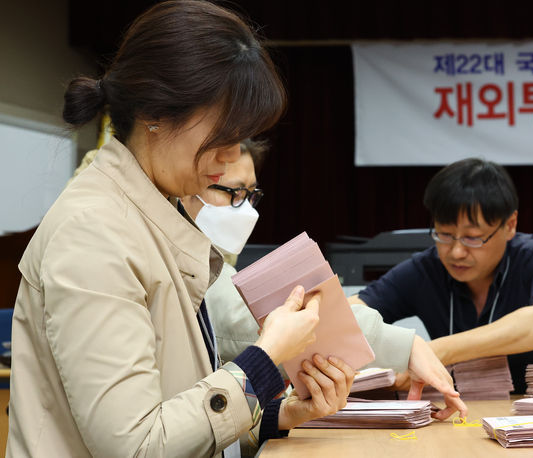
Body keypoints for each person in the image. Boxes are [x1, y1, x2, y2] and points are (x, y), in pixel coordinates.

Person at [8, 2, 354, 456]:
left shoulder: (154, 209)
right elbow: (136, 445)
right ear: (156, 112)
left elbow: (173, 408)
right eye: (224, 135)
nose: (232, 158)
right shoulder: (93, 231)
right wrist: (263, 363)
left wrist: (278, 414)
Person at [177, 139, 467, 429]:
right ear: (188, 186)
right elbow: (245, 320)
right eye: (236, 192)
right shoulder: (188, 261)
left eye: (252, 194)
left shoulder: (209, 256)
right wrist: (405, 346)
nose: (248, 209)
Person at [350, 158, 533, 393]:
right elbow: (349, 314)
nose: (456, 252)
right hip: (467, 416)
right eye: (444, 234)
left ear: (510, 225)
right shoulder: (426, 268)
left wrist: (430, 351)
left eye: (473, 238)